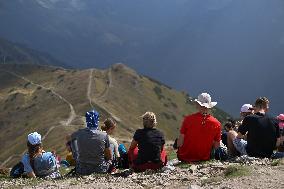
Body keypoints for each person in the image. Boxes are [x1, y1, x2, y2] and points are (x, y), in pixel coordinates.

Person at [177, 92, 221, 162]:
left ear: (197, 105)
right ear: (209, 106)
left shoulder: (188, 119)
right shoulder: (217, 123)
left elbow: (180, 142)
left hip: (185, 157)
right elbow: (217, 145)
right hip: (204, 158)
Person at [71, 109, 112, 175]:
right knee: (111, 147)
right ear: (97, 120)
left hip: (82, 169)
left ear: (87, 120)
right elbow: (109, 156)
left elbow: (74, 149)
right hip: (100, 169)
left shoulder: (78, 133)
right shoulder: (104, 135)